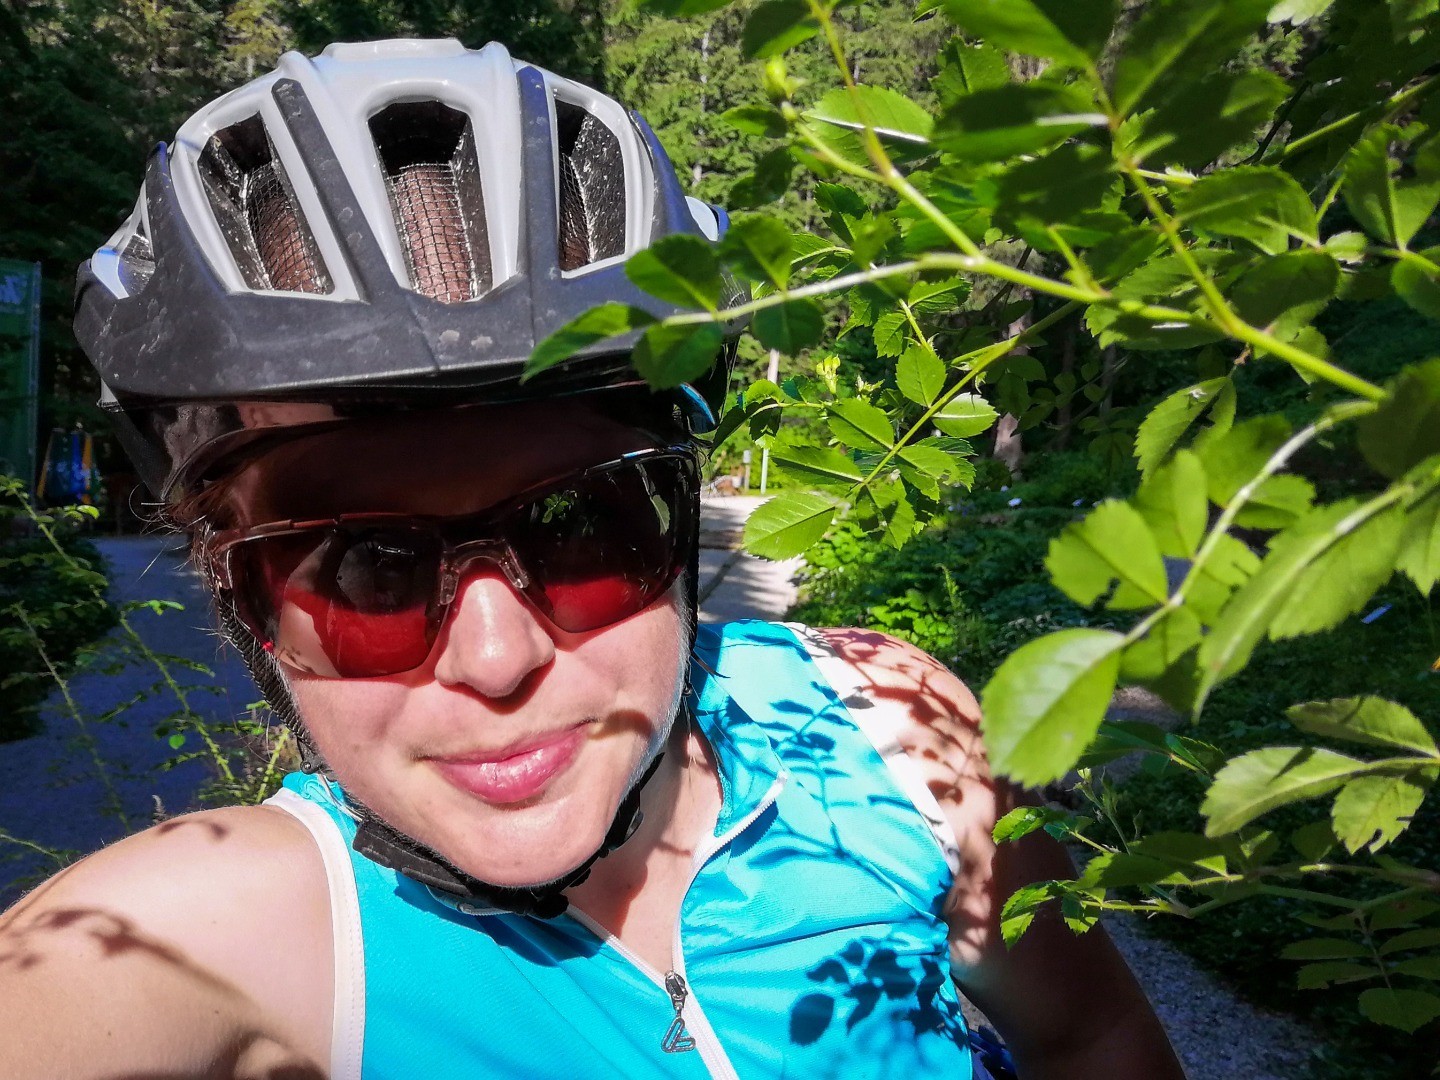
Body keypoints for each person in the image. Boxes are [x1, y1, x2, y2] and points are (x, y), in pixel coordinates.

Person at [0, 39, 1185, 1080]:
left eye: (585, 524)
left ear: (679, 518)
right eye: (367, 566)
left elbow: (1090, 1038)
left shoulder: (888, 724)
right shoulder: (230, 941)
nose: (497, 657)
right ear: (247, 604)